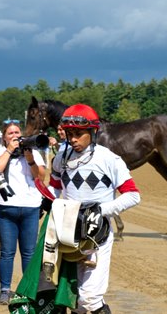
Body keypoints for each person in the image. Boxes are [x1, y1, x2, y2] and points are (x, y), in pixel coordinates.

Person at [49, 104, 140, 314]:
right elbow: (55, 187)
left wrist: (100, 210)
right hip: (67, 233)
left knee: (90, 298)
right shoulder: (61, 157)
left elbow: (133, 195)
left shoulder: (109, 159)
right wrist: (50, 204)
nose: (73, 139)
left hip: (97, 234)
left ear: (93, 132)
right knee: (71, 297)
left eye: (79, 134)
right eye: (70, 133)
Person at [0, 120, 46, 305]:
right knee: (7, 252)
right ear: (4, 138)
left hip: (30, 207)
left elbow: (40, 176)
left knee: (29, 252)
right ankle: (5, 290)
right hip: (7, 207)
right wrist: (9, 151)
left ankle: (27, 289)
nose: (15, 136)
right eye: (10, 133)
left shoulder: (31, 152)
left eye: (17, 132)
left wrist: (29, 158)